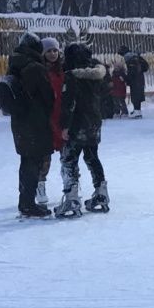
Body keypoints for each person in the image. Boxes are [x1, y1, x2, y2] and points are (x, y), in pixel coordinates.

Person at [55, 43, 111, 217]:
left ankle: (71, 196)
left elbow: (69, 103)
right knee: (92, 156)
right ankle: (101, 192)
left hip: (76, 123)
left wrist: (64, 125)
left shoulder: (72, 76)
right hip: (94, 121)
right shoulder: (98, 74)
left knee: (69, 159)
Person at [7, 33, 56, 218]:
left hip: (19, 121)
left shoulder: (15, 64)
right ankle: (28, 204)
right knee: (33, 163)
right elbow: (47, 96)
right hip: (35, 121)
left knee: (26, 161)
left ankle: (25, 201)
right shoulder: (35, 67)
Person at [38, 37, 66, 206]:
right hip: (46, 117)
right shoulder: (40, 70)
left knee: (66, 155)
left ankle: (69, 186)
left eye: (55, 50)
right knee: (44, 157)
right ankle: (40, 187)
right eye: (49, 51)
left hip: (62, 116)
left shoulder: (64, 69)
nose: (52, 54)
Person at [117, 45, 150, 118]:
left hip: (135, 81)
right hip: (140, 79)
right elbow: (145, 67)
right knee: (137, 95)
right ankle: (137, 111)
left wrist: (125, 77)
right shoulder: (136, 57)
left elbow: (131, 73)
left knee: (135, 96)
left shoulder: (130, 60)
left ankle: (137, 112)